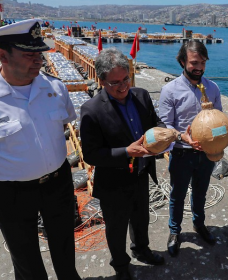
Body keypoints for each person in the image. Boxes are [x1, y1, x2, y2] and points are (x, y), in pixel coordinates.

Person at [0, 19, 81, 280]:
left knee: (65, 247)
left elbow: (67, 120)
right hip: (12, 193)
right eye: (28, 54)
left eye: (39, 53)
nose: (38, 60)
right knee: (26, 259)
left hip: (58, 183)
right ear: (2, 55)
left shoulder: (55, 88)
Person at [80, 48, 165, 280]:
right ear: (101, 81)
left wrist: (172, 136)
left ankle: (141, 249)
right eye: (115, 82)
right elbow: (91, 154)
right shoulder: (91, 110)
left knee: (141, 218)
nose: (122, 86)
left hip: (141, 174)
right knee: (116, 228)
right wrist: (126, 151)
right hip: (114, 183)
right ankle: (120, 264)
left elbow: (155, 125)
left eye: (126, 79)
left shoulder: (142, 95)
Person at [159, 40, 222, 257]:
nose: (199, 68)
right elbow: (165, 124)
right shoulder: (170, 90)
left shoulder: (213, 88)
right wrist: (182, 137)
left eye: (203, 63)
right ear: (182, 61)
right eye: (194, 63)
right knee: (177, 194)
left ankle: (199, 224)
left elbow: (220, 120)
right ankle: (175, 231)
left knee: (201, 192)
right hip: (181, 152)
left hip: (205, 154)